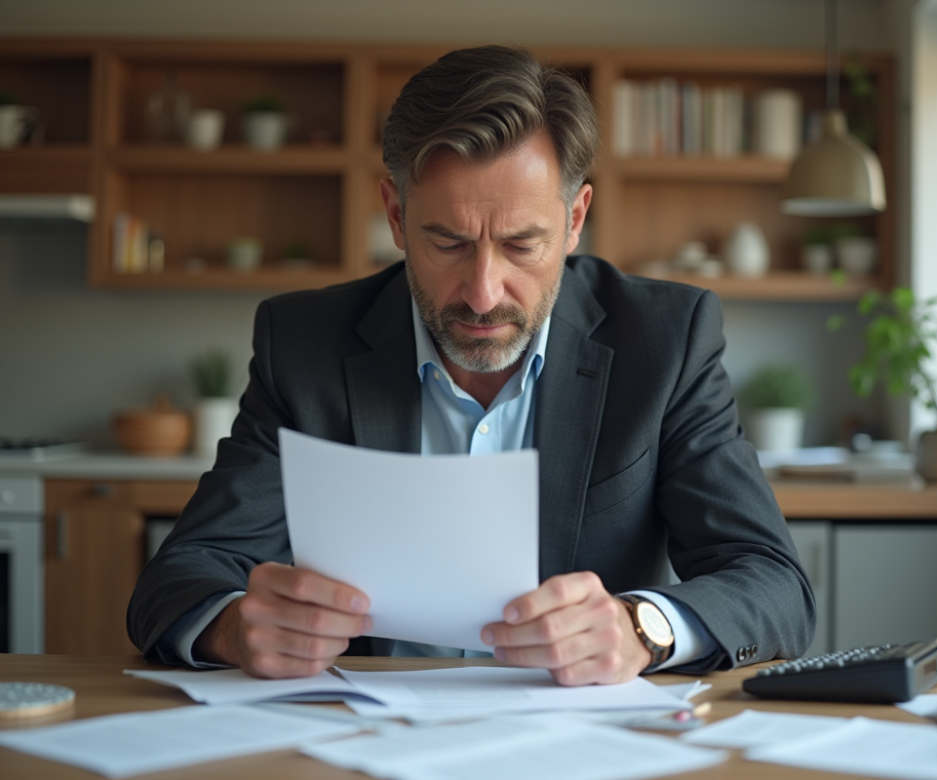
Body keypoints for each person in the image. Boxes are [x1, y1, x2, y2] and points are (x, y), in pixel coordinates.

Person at [128, 45, 815, 685]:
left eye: (522, 245)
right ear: (396, 216)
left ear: (575, 220)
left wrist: (644, 627)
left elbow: (773, 582)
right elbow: (181, 576)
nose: (484, 293)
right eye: (448, 242)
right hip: (359, 742)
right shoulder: (304, 345)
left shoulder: (665, 343)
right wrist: (230, 628)